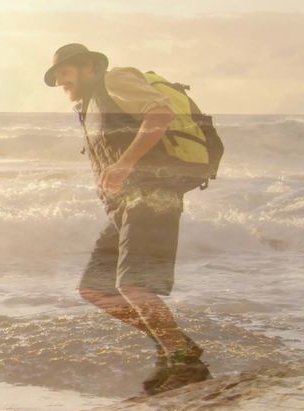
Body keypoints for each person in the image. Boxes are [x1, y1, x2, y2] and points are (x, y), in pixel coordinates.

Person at [43, 43, 210, 393]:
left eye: (65, 71)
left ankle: (183, 361)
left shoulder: (115, 80)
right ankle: (177, 348)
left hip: (152, 194)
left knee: (133, 285)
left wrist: (125, 163)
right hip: (126, 204)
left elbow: (160, 115)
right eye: (56, 75)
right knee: (95, 289)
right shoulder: (89, 106)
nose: (60, 80)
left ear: (89, 67)